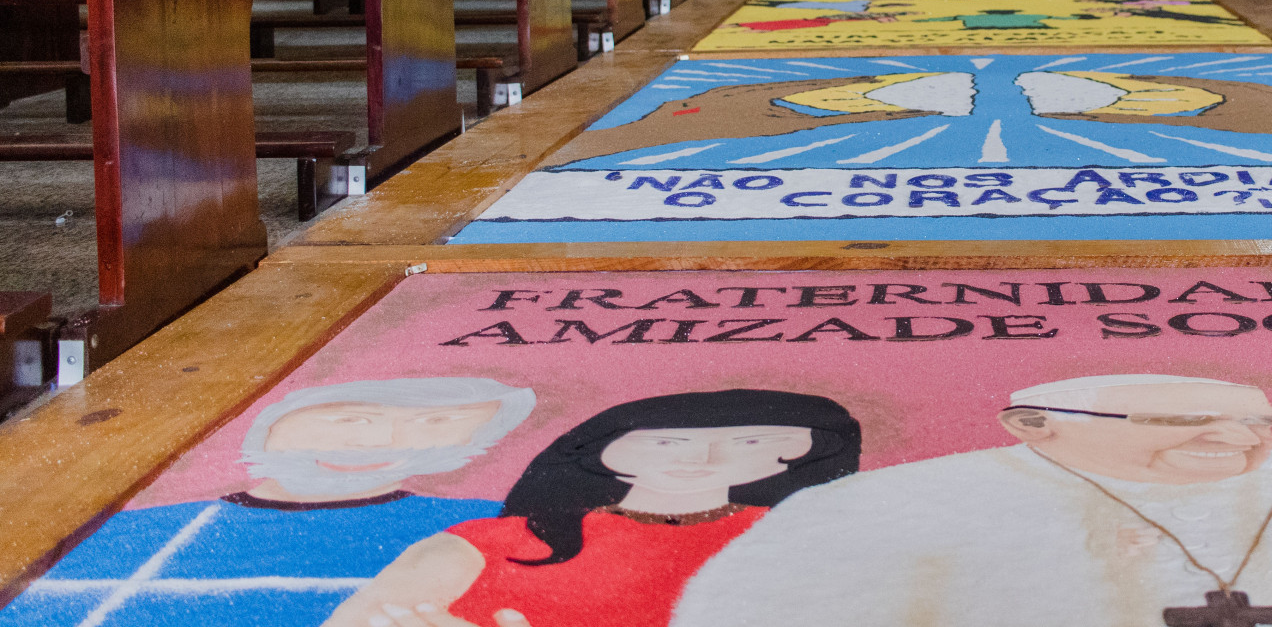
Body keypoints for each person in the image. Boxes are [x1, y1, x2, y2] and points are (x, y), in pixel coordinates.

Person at [669, 373, 1272, 626]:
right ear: (1034, 424)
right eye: (1179, 419)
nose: (1236, 442)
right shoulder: (885, 506)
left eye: (1255, 424)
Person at [1, 378, 535, 627]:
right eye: (352, 418)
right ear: (266, 427)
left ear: (472, 447)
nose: (374, 441)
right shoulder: (129, 534)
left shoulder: (484, 531)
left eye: (434, 427)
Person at [326, 389, 860, 627]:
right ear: (601, 448)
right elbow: (368, 619)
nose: (704, 457)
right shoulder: (491, 543)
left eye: (752, 442)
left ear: (803, 452)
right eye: (664, 442)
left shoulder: (798, 543)